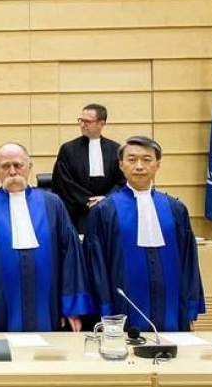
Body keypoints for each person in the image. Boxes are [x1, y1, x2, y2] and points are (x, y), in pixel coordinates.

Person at [0, 143, 93, 333]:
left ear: (29, 167)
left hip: (48, 304)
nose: (12, 172)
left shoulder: (53, 205)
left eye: (18, 165)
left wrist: (71, 307)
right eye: (5, 166)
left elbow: (70, 257)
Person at [84, 136, 205, 332]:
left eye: (147, 159)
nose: (139, 166)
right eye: (132, 160)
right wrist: (105, 310)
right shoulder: (104, 211)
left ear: (157, 165)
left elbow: (189, 263)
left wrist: (189, 309)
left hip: (172, 306)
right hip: (121, 311)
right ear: (121, 165)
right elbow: (96, 266)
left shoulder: (176, 209)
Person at [52, 104, 126, 233]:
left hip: (109, 206)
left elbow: (122, 180)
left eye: (87, 121)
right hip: (78, 209)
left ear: (101, 123)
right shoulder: (68, 149)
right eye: (80, 120)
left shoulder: (116, 149)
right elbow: (63, 181)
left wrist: (106, 198)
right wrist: (87, 201)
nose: (82, 125)